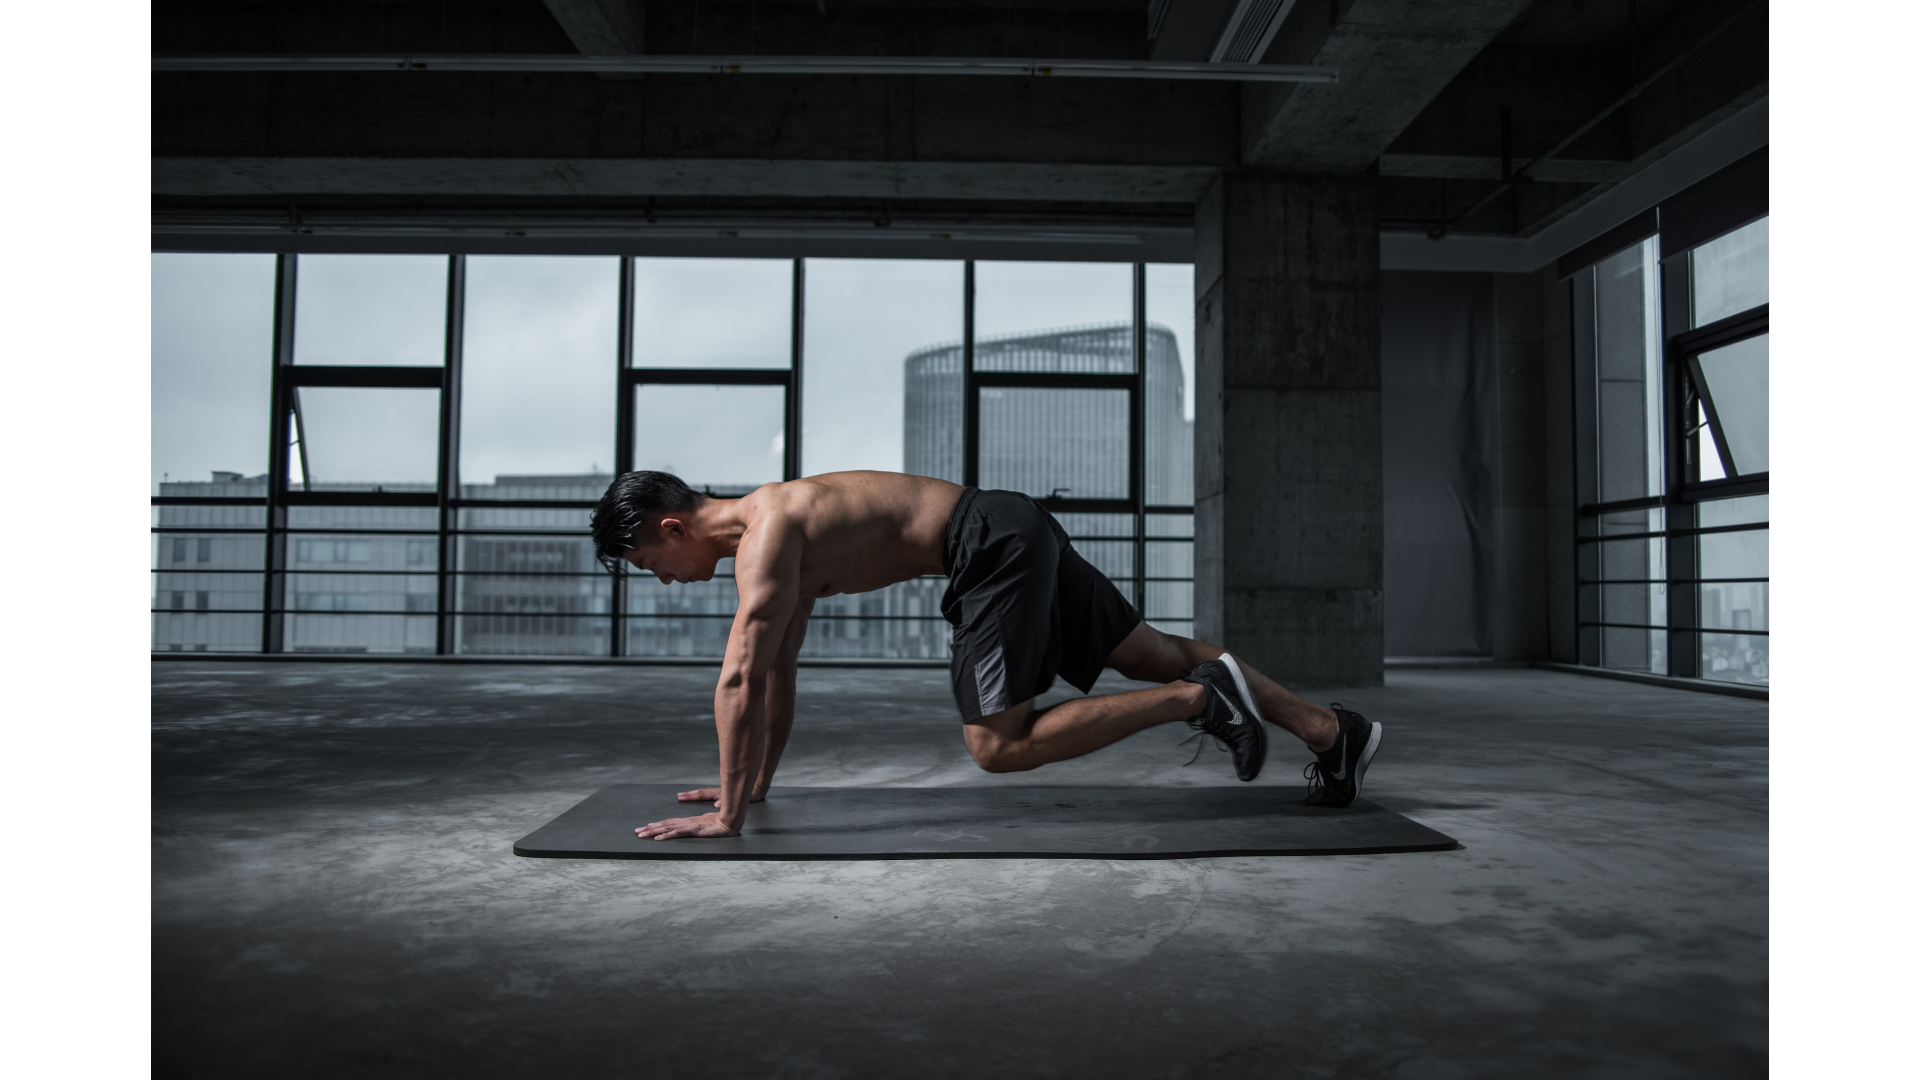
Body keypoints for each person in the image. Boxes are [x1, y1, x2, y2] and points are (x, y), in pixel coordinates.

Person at [589, 470, 1383, 841]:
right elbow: (776, 671)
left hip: (987, 544)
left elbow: (737, 676)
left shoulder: (765, 537)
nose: (661, 582)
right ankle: (1329, 731)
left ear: (671, 529)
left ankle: (1200, 701)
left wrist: (728, 819)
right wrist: (752, 787)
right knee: (1152, 651)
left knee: (998, 745)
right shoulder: (774, 530)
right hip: (1009, 523)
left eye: (648, 566)